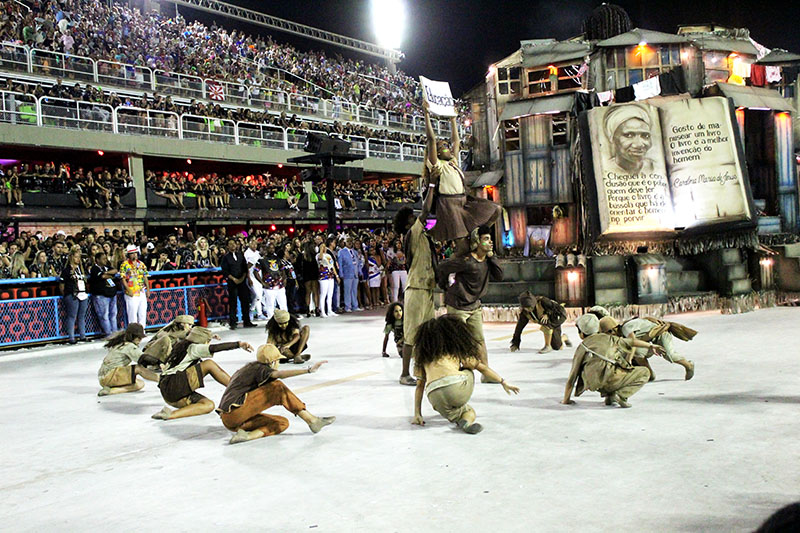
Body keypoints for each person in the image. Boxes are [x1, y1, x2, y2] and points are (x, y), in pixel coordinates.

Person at [412, 315, 520, 434]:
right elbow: (482, 368)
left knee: (462, 411)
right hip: (456, 386)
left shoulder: (423, 358)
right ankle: (466, 421)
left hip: (433, 395)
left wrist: (417, 413)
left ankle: (461, 419)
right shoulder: (454, 351)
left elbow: (419, 386)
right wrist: (502, 381)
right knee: (469, 369)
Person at [217, 344, 335, 444]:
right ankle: (312, 420)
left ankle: (248, 436)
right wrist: (308, 370)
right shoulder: (261, 369)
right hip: (234, 412)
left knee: (282, 423)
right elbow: (279, 374)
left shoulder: (248, 369)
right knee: (278, 387)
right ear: (273, 362)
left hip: (231, 422)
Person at [423, 100, 500, 246]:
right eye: (444, 147)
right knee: (461, 244)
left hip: (464, 200)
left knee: (496, 209)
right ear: (438, 152)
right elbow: (431, 139)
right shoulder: (436, 163)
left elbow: (456, 141)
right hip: (448, 203)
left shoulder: (453, 162)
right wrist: (426, 113)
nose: (449, 148)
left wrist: (453, 119)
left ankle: (476, 234)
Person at [436, 226, 503, 372]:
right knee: (457, 339)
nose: (490, 242)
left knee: (479, 340)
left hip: (474, 306)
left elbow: (499, 275)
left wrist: (493, 256)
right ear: (477, 242)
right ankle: (453, 371)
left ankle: (486, 372)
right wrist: (445, 286)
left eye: (490, 239)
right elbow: (443, 267)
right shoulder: (466, 261)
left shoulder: (487, 261)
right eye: (486, 239)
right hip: (458, 304)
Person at [562, 314, 664, 408]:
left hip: (594, 384)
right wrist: (651, 345)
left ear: (581, 334)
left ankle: (610, 397)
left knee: (604, 369)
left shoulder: (582, 347)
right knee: (644, 372)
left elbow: (572, 376)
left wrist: (566, 400)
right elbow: (632, 342)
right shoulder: (610, 339)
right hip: (612, 378)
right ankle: (621, 395)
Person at [152, 326, 254, 421]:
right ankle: (238, 388)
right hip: (175, 384)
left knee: (209, 405)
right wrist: (238, 344)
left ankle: (171, 414)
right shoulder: (194, 348)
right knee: (209, 364)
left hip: (169, 393)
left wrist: (208, 337)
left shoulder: (181, 345)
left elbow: (194, 337)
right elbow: (214, 348)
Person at [609, 315, 696, 381]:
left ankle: (688, 365)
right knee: (637, 352)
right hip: (648, 339)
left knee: (669, 355)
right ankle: (650, 374)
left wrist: (629, 360)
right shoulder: (621, 335)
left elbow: (633, 343)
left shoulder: (626, 328)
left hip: (660, 334)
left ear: (613, 330)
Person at [97, 323, 158, 396]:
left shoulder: (119, 342)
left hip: (103, 379)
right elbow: (144, 359)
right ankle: (161, 381)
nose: (140, 340)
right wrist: (160, 363)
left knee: (140, 384)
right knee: (138, 368)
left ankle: (111, 391)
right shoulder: (129, 346)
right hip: (110, 375)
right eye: (138, 337)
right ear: (132, 336)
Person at [603, 103, 656, 175]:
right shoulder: (604, 170)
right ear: (612, 138)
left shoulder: (657, 168)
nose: (638, 144)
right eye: (629, 135)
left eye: (645, 136)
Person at [220, 238, 256, 330]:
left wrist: (245, 278)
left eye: (234, 244)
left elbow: (245, 268)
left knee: (245, 301)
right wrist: (233, 279)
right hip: (232, 282)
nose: (233, 246)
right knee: (233, 302)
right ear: (227, 246)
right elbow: (225, 271)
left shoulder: (240, 255)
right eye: (230, 244)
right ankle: (233, 322)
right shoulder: (225, 258)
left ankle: (247, 321)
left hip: (242, 281)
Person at [60, 245, 90, 344]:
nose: (78, 259)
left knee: (81, 315)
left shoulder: (81, 269)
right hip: (72, 294)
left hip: (82, 293)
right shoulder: (66, 270)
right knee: (72, 316)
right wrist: (65, 294)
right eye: (76, 257)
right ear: (72, 257)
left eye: (79, 257)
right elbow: (62, 284)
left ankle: (82, 335)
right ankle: (71, 337)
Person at [119, 244, 149, 328]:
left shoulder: (141, 264)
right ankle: (133, 333)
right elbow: (123, 278)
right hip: (131, 292)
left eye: (135, 253)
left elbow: (145, 276)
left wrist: (148, 289)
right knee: (132, 314)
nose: (134, 255)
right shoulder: (124, 265)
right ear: (129, 255)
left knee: (142, 313)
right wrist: (128, 290)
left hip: (141, 291)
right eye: (132, 253)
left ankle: (142, 331)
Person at [89, 251, 119, 338]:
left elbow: (115, 270)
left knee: (113, 314)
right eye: (103, 259)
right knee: (104, 315)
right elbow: (102, 277)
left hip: (112, 294)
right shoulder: (94, 269)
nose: (105, 260)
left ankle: (115, 333)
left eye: (106, 258)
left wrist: (106, 273)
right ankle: (109, 334)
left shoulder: (106, 267)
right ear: (97, 260)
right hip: (101, 295)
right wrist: (108, 275)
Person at [254, 249, 286, 321]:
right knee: (270, 305)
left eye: (272, 248)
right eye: (270, 248)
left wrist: (284, 279)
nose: (271, 250)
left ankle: (285, 319)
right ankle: (271, 321)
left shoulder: (278, 259)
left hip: (280, 286)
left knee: (283, 304)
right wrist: (262, 282)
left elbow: (283, 269)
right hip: (269, 287)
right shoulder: (261, 260)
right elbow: (255, 272)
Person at [337, 237, 361, 313]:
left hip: (355, 273)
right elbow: (340, 264)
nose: (350, 243)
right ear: (345, 242)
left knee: (354, 290)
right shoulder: (341, 252)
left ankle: (355, 306)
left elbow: (358, 263)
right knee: (347, 291)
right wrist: (341, 273)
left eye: (351, 241)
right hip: (347, 273)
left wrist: (360, 271)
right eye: (348, 241)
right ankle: (348, 306)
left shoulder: (355, 252)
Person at [316, 241, 338, 318]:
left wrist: (336, 276)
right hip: (323, 276)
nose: (324, 248)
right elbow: (320, 259)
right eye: (322, 247)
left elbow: (332, 265)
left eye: (325, 247)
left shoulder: (329, 255)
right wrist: (321, 250)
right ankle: (322, 311)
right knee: (323, 294)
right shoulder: (318, 255)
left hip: (330, 276)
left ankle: (329, 310)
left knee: (330, 294)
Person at [244, 238, 264, 320]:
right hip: (251, 277)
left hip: (259, 277)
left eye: (256, 244)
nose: (255, 246)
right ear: (249, 244)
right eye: (253, 244)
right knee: (257, 295)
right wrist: (248, 278)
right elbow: (246, 268)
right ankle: (251, 310)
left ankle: (259, 313)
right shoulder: (247, 253)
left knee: (259, 296)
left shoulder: (258, 253)